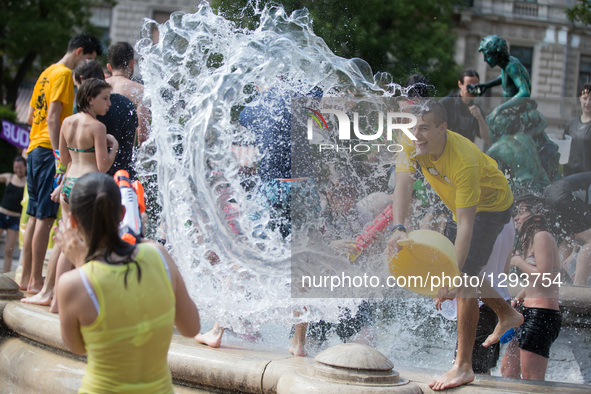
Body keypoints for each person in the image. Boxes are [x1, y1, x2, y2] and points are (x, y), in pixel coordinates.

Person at [385, 99, 523, 390]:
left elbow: (468, 226)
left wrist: (453, 276)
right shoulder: (409, 139)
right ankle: (506, 313)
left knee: (464, 279)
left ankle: (463, 366)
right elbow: (404, 181)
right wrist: (399, 227)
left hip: (491, 205)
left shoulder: (463, 160)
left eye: (424, 128)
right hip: (459, 207)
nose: (416, 134)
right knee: (457, 271)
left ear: (442, 128)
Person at [55, 172, 200, 392]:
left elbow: (76, 346)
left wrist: (82, 264)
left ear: (72, 221)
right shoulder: (159, 256)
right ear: (122, 213)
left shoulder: (74, 284)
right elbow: (191, 328)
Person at [19, 32, 102, 294]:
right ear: (80, 52)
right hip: (46, 150)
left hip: (34, 147)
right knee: (45, 217)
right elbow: (54, 117)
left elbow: (33, 114)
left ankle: (26, 277)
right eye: (87, 59)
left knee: (35, 215)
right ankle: (36, 280)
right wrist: (59, 157)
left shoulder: (46, 72)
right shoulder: (64, 75)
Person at [500, 194, 562, 381]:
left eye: (521, 212)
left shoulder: (542, 236)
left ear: (537, 215)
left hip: (542, 315)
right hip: (529, 312)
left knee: (531, 378)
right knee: (508, 370)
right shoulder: (533, 239)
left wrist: (518, 262)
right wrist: (519, 296)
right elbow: (543, 279)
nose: (516, 218)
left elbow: (546, 278)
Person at [74, 59, 139, 178]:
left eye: (78, 86)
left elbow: (75, 153)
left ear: (83, 81)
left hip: (96, 181)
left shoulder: (84, 111)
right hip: (126, 177)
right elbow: (134, 141)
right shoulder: (127, 104)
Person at [543, 172, 591, 285]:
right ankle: (579, 287)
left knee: (569, 238)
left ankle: (555, 282)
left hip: (549, 194)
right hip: (565, 196)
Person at [106, 42, 150, 145]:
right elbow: (143, 133)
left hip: (97, 151)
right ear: (131, 63)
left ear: (109, 66)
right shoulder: (140, 90)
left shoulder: (97, 86)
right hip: (123, 151)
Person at [440, 68, 491, 149]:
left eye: (476, 86)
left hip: (465, 155)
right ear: (460, 84)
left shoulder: (477, 109)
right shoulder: (446, 103)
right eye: (469, 86)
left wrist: (480, 118)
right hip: (446, 152)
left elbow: (487, 138)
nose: (472, 89)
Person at [0, 156, 26, 273]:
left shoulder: (28, 182)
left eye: (20, 168)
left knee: (8, 251)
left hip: (15, 219)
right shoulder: (8, 177)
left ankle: (4, 278)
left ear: (25, 167)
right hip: (1, 214)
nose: (18, 170)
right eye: (15, 167)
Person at [563, 83, 591, 176]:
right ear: (580, 98)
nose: (588, 103)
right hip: (569, 177)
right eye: (585, 98)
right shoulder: (570, 125)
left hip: (587, 179)